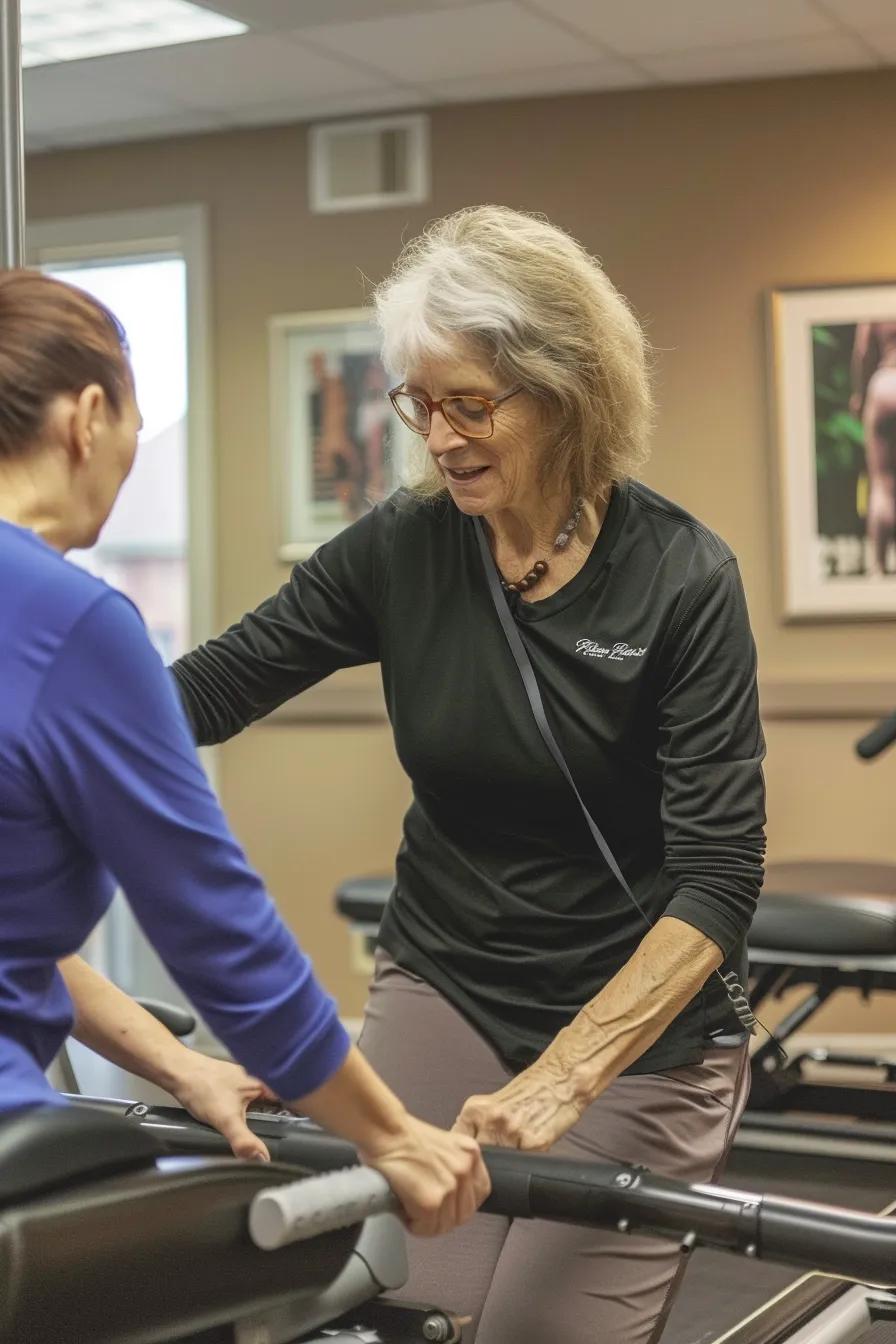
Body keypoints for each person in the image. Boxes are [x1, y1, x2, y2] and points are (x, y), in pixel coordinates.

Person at [172, 206, 766, 1344]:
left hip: (636, 1034)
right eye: (419, 403)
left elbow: (716, 881)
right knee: (383, 1309)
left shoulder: (681, 580)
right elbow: (207, 689)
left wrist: (564, 1078)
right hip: (445, 975)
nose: (438, 437)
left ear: (564, 391)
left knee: (536, 1335)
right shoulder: (402, 544)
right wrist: (42, 706)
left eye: (471, 404)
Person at [0, 268, 489, 1239]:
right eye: (136, 424)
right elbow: (221, 934)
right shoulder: (72, 621)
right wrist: (391, 1137)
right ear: (88, 416)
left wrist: (183, 1067)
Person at [851, 321, 896, 575]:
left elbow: (863, 351)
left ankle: (878, 568)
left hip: (886, 383)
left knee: (882, 484)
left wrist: (859, 394)